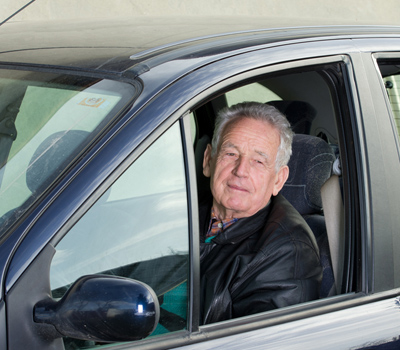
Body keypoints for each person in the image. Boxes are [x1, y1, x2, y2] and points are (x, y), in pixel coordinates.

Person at [199, 102, 322, 324]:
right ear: (208, 160)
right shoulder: (184, 207)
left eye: (258, 161)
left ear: (278, 179)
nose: (241, 171)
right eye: (230, 153)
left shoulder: (290, 254)